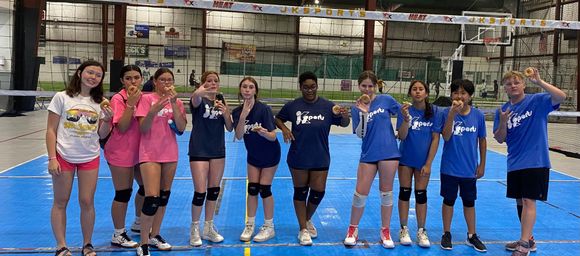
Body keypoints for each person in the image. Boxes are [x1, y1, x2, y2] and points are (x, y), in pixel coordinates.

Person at [493, 69, 565, 256]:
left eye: (517, 82)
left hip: (536, 160)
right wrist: (502, 121)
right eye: (509, 84)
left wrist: (540, 82)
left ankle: (524, 244)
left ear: (524, 84)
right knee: (520, 200)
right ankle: (529, 238)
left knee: (528, 200)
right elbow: (500, 139)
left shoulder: (537, 101)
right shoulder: (502, 110)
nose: (513, 86)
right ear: (505, 89)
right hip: (515, 161)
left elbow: (561, 96)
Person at [46, 60, 113, 256]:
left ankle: (87, 244)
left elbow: (102, 135)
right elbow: (50, 130)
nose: (93, 77)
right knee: (61, 201)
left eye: (98, 75)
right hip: (63, 155)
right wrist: (52, 157)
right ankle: (61, 246)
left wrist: (108, 121)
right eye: (90, 72)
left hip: (89, 156)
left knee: (86, 201)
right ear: (80, 73)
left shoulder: (100, 102)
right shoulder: (62, 97)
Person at [276, 71, 350, 246]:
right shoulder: (293, 106)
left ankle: (306, 219)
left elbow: (344, 123)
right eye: (306, 87)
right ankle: (303, 229)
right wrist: (285, 130)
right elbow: (277, 118)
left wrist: (345, 116)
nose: (309, 90)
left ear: (317, 86)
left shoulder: (327, 106)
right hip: (298, 155)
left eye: (312, 86)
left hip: (320, 156)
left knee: (318, 191)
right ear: (300, 87)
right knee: (301, 191)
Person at [343, 71, 400, 248]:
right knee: (360, 194)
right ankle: (352, 229)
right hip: (368, 154)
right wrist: (364, 114)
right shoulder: (356, 106)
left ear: (375, 86)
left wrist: (402, 128)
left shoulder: (386, 100)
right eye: (364, 86)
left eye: (370, 86)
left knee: (386, 193)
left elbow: (405, 115)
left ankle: (385, 231)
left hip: (389, 152)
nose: (367, 89)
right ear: (359, 86)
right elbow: (360, 134)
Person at [134, 68, 187, 256]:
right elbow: (143, 128)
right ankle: (143, 242)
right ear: (155, 81)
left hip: (170, 153)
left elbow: (181, 127)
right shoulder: (146, 99)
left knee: (164, 197)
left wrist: (173, 104)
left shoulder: (178, 102)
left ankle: (155, 234)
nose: (166, 82)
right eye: (162, 79)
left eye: (169, 79)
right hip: (149, 153)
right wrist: (153, 111)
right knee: (152, 198)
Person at [437, 79, 487, 252]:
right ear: (451, 95)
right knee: (448, 200)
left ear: (470, 96)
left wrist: (482, 164)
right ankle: (446, 233)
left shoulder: (478, 115)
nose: (459, 96)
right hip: (450, 167)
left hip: (469, 169)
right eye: (456, 93)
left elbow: (482, 140)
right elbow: (446, 136)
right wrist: (452, 114)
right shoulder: (445, 113)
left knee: (469, 202)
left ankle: (472, 235)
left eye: (463, 93)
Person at [232, 77, 281, 242]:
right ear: (240, 90)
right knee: (252, 189)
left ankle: (269, 227)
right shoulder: (237, 112)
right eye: (244, 86)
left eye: (251, 87)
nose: (247, 89)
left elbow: (273, 137)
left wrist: (264, 133)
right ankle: (250, 225)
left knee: (264, 189)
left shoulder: (264, 109)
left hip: (270, 154)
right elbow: (238, 136)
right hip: (253, 155)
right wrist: (243, 116)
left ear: (255, 91)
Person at [188, 71, 233, 247]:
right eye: (208, 81)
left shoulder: (220, 99)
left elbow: (229, 128)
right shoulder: (198, 100)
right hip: (199, 149)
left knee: (214, 190)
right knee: (200, 192)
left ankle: (208, 227)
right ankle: (194, 228)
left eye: (215, 81)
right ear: (202, 83)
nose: (213, 83)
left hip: (217, 150)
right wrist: (201, 90)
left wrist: (226, 112)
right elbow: (195, 98)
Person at [103, 64, 145, 249]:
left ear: (141, 79)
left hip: (139, 150)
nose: (133, 81)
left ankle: (138, 221)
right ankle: (118, 234)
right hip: (120, 151)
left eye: (136, 77)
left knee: (147, 187)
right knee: (123, 192)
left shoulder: (144, 97)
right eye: (128, 78)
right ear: (122, 81)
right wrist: (130, 104)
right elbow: (123, 126)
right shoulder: (118, 99)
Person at [395, 80, 441, 248]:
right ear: (410, 93)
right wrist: (406, 119)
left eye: (421, 89)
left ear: (426, 93)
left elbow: (436, 138)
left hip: (423, 162)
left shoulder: (435, 111)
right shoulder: (405, 110)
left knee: (421, 195)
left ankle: (421, 230)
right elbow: (402, 136)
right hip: (406, 159)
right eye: (414, 89)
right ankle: (403, 228)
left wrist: (428, 163)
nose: (418, 92)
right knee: (404, 192)